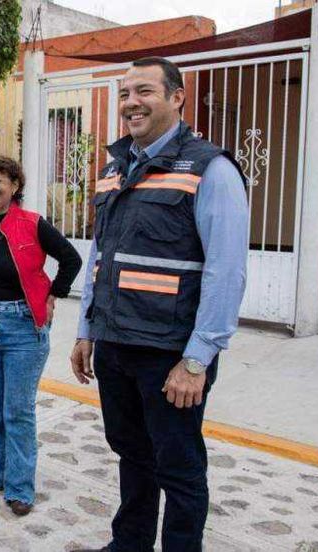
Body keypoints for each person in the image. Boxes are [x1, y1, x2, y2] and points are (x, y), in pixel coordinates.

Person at [70, 57, 248, 551]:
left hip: (170, 354)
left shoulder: (210, 169)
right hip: (115, 344)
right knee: (132, 454)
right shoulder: (114, 168)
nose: (131, 102)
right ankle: (129, 544)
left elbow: (226, 271)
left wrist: (196, 360)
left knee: (179, 468)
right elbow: (101, 255)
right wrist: (86, 330)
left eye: (144, 91)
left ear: (177, 97)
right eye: (125, 93)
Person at [0, 155, 81, 516]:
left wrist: (54, 294)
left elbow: (71, 259)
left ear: (14, 186)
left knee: (17, 410)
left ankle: (20, 486)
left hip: (22, 326)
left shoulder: (33, 223)